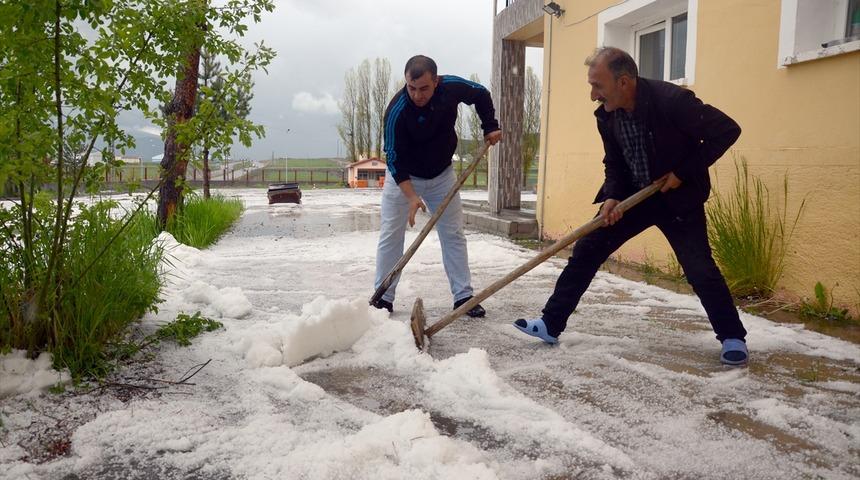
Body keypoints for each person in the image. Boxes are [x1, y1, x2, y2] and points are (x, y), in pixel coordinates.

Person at [514, 47, 749, 365]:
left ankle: (732, 336)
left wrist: (682, 172)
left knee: (700, 269)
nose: (593, 95)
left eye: (598, 85)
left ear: (623, 82)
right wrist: (612, 196)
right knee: (588, 249)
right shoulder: (607, 115)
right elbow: (614, 161)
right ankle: (551, 324)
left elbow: (727, 131)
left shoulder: (672, 101)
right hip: (632, 199)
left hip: (678, 198)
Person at [371, 55, 502, 317]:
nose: (417, 95)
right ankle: (382, 299)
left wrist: (490, 125)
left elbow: (481, 94)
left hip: (442, 175)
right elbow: (394, 159)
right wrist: (410, 197)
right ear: (406, 83)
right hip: (404, 178)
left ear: (436, 81)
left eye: (424, 88)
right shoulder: (397, 111)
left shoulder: (451, 87)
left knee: (453, 234)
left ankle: (463, 296)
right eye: (411, 88)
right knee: (391, 234)